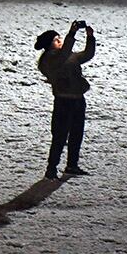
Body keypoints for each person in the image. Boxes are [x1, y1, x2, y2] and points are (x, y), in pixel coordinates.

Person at [35, 20, 96, 180]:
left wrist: (90, 37)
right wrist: (72, 33)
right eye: (57, 39)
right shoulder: (49, 60)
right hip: (63, 102)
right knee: (60, 136)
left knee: (77, 133)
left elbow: (87, 55)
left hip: (77, 99)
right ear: (49, 45)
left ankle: (72, 165)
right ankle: (52, 168)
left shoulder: (66, 56)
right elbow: (62, 56)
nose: (60, 41)